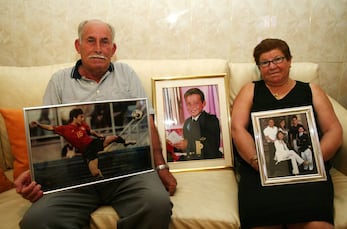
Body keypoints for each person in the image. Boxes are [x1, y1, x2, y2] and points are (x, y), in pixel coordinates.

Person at [14, 19, 177, 229]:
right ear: (78, 46)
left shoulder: (126, 74)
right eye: (91, 41)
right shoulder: (59, 81)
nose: (98, 48)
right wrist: (36, 175)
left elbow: (148, 120)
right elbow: (48, 137)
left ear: (113, 48)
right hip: (74, 179)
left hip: (127, 173)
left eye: (105, 42)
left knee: (157, 204)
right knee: (36, 220)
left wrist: (161, 166)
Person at [231, 38, 342, 228]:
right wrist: (256, 161)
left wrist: (314, 161)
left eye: (278, 59)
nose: (272, 66)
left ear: (290, 61)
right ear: (259, 67)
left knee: (318, 226)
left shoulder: (311, 90)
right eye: (265, 62)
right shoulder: (250, 90)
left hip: (308, 174)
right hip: (261, 171)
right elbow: (237, 128)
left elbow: (334, 130)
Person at [31, 108, 134, 177]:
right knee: (95, 173)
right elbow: (50, 127)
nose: (83, 119)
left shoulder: (83, 125)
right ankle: (102, 180)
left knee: (114, 137)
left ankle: (125, 142)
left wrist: (99, 136)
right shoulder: (65, 129)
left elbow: (91, 131)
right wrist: (39, 124)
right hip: (87, 151)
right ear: (74, 117)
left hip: (94, 143)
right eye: (81, 117)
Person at [171, 88, 222, 160]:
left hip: (207, 160)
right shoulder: (187, 122)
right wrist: (177, 145)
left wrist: (188, 144)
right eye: (189, 104)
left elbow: (211, 147)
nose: (192, 107)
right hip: (192, 158)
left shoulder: (212, 120)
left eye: (196, 103)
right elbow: (186, 149)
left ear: (203, 103)